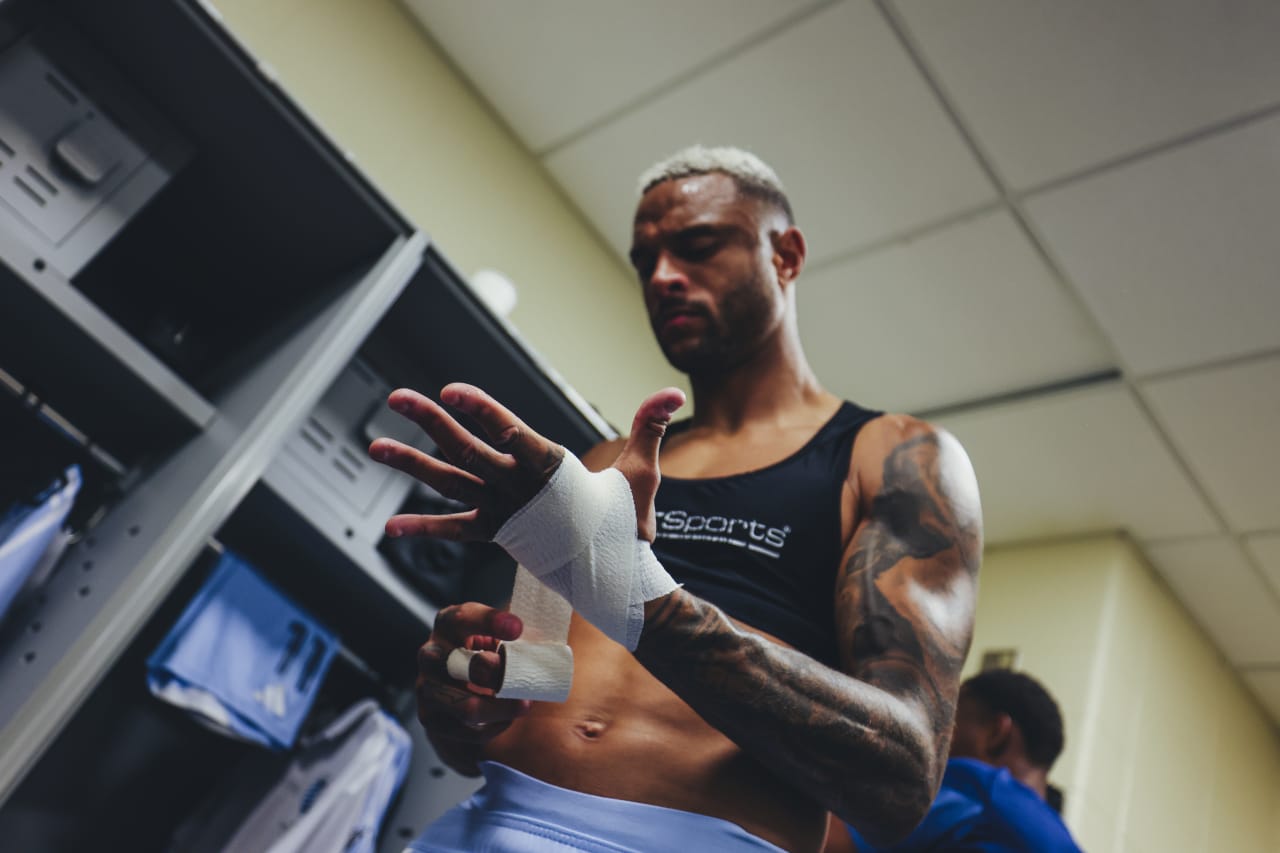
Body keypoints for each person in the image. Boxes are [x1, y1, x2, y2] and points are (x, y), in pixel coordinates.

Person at [368, 145, 984, 853]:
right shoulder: (603, 462)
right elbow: (514, 698)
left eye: (697, 246)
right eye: (645, 261)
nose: (662, 277)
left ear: (785, 255)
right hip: (485, 823)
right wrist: (461, 695)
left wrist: (637, 595)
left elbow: (901, 776)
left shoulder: (892, 457)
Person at [831, 669, 1084, 852]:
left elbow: (831, 841)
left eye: (948, 721)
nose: (933, 736)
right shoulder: (1058, 836)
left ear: (997, 733)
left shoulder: (978, 787)